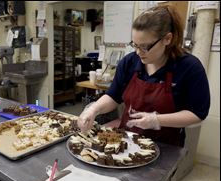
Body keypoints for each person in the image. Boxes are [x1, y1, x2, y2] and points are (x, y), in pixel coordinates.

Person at [77, 5, 210, 147]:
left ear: (167, 39)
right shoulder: (129, 62)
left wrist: (157, 120)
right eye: (135, 45)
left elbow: (197, 114)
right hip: (126, 140)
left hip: (166, 146)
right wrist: (93, 109)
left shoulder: (189, 67)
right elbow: (113, 96)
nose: (139, 52)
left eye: (145, 47)